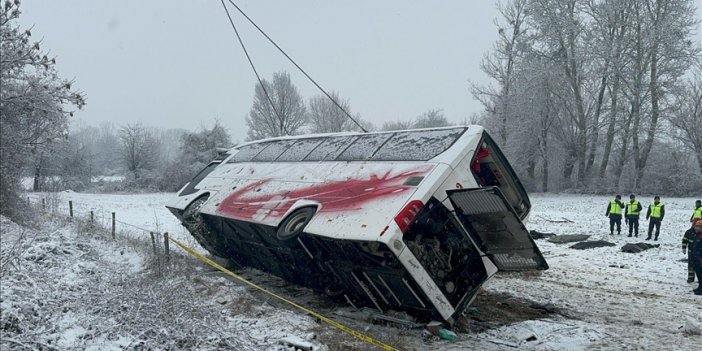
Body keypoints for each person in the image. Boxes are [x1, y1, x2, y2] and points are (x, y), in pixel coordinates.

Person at [689, 219, 702, 295]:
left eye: (698, 227)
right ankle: (700, 287)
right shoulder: (697, 235)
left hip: (700, 259)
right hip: (696, 258)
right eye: (696, 227)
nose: (696, 228)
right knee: (699, 274)